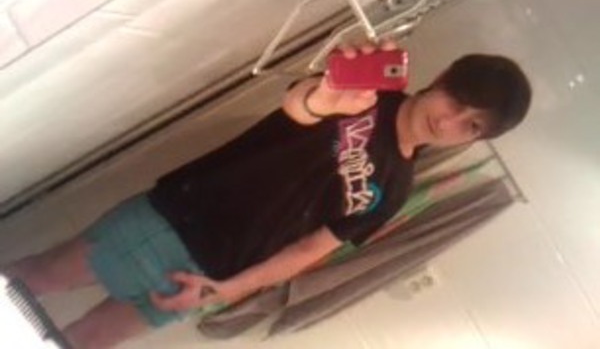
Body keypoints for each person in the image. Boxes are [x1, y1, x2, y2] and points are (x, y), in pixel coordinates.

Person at [5, 42, 532, 349]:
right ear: (442, 79)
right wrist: (322, 98)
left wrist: (219, 292)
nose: (451, 122)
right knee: (34, 280)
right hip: (175, 219)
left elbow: (306, 251)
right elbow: (302, 106)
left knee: (86, 342)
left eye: (472, 125)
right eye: (459, 102)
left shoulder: (394, 192)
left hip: (210, 273)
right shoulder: (367, 94)